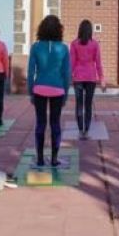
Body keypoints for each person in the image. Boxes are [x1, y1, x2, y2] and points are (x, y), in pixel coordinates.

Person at [27, 15, 71, 167]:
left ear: (42, 29)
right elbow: (67, 74)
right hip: (58, 90)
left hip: (39, 89)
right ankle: (54, 159)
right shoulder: (63, 48)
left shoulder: (36, 47)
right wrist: (65, 94)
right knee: (55, 124)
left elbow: (30, 72)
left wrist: (31, 92)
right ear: (59, 30)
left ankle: (40, 159)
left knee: (40, 123)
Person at [70, 19, 104, 140]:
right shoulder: (95, 44)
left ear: (80, 30)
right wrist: (102, 79)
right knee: (88, 104)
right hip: (91, 77)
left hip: (78, 77)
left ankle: (80, 130)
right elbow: (98, 63)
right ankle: (87, 130)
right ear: (90, 31)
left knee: (79, 104)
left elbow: (71, 62)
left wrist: (69, 77)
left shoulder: (74, 44)